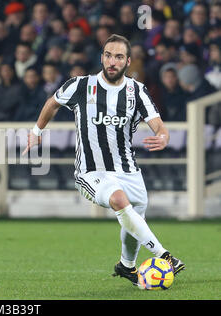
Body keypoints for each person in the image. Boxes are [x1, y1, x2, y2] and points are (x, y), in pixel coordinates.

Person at [22, 34, 185, 286]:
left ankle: (127, 266)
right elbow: (52, 103)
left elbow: (158, 126)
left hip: (127, 169)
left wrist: (163, 137)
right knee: (121, 201)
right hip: (90, 171)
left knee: (134, 217)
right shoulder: (80, 85)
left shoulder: (137, 91)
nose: (112, 61)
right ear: (102, 57)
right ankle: (164, 255)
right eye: (108, 55)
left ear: (127, 61)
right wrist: (36, 132)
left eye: (119, 57)